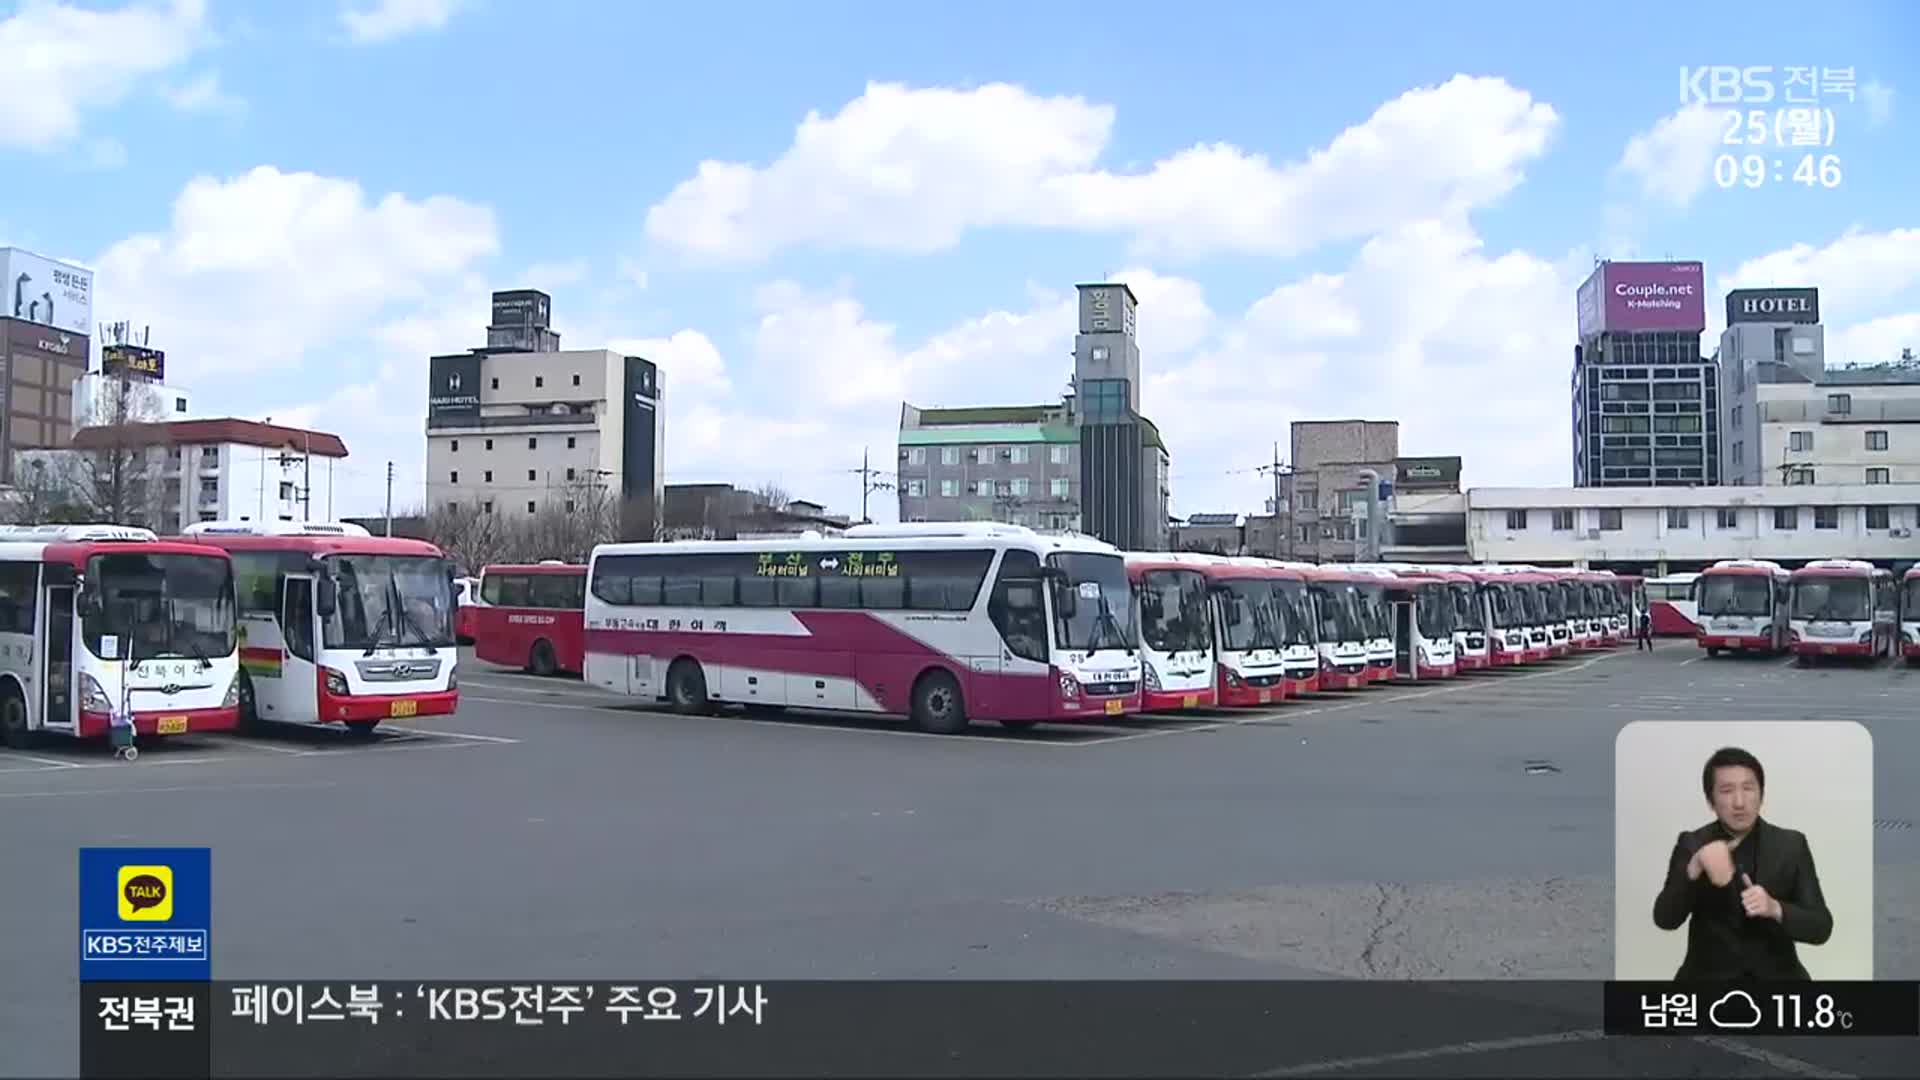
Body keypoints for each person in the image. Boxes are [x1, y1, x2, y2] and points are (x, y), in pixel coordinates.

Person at [1652, 747, 1832, 979]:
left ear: (1762, 794)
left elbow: (1821, 927)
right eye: (1726, 791)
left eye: (1748, 788)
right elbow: (1665, 919)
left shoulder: (1792, 844)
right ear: (1711, 801)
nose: (1739, 802)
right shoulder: (1692, 843)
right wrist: (1694, 867)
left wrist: (1775, 908)